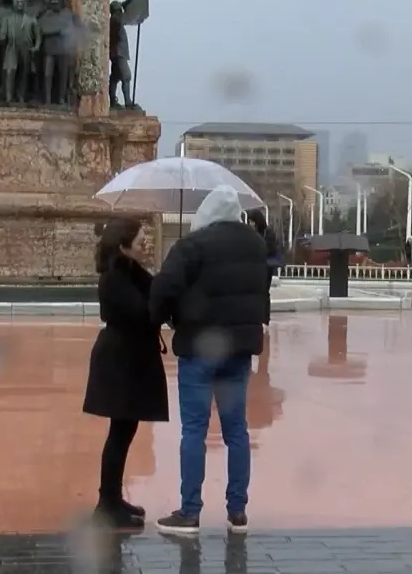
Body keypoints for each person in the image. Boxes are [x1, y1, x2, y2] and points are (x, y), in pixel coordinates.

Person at [149, 185, 271, 536]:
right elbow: (260, 293)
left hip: (200, 348)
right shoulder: (255, 245)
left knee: (194, 431)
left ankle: (190, 512)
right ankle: (237, 512)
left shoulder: (192, 245)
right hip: (240, 349)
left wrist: (162, 317)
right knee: (237, 430)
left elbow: (164, 288)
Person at [82, 217, 169, 528]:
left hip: (132, 358)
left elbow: (157, 293)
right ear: (123, 245)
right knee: (119, 434)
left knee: (125, 431)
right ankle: (107, 504)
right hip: (120, 360)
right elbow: (145, 313)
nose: (145, 244)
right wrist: (159, 305)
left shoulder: (131, 272)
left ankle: (113, 498)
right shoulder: (114, 278)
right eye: (141, 240)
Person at [245, 209, 281, 288]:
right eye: (250, 221)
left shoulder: (267, 232)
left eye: (253, 221)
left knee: (264, 290)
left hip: (266, 266)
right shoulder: (251, 232)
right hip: (255, 267)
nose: (251, 224)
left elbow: (271, 249)